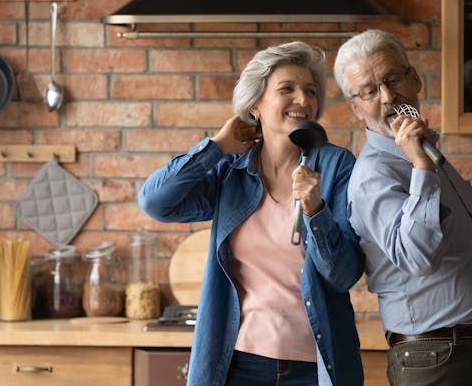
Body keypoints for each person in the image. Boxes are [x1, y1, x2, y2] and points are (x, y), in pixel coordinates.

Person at [139, 41, 364, 386]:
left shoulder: (336, 167)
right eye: (286, 89)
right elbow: (156, 202)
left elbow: (343, 275)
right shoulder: (230, 170)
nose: (303, 100)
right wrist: (215, 148)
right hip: (236, 364)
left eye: (310, 91)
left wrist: (315, 209)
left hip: (315, 367)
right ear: (255, 105)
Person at [333, 29, 472, 386]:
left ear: (414, 79)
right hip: (439, 357)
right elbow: (417, 256)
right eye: (369, 91)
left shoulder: (420, 153)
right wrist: (421, 168)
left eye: (391, 79)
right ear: (356, 108)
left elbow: (438, 229)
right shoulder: (375, 175)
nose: (386, 97)